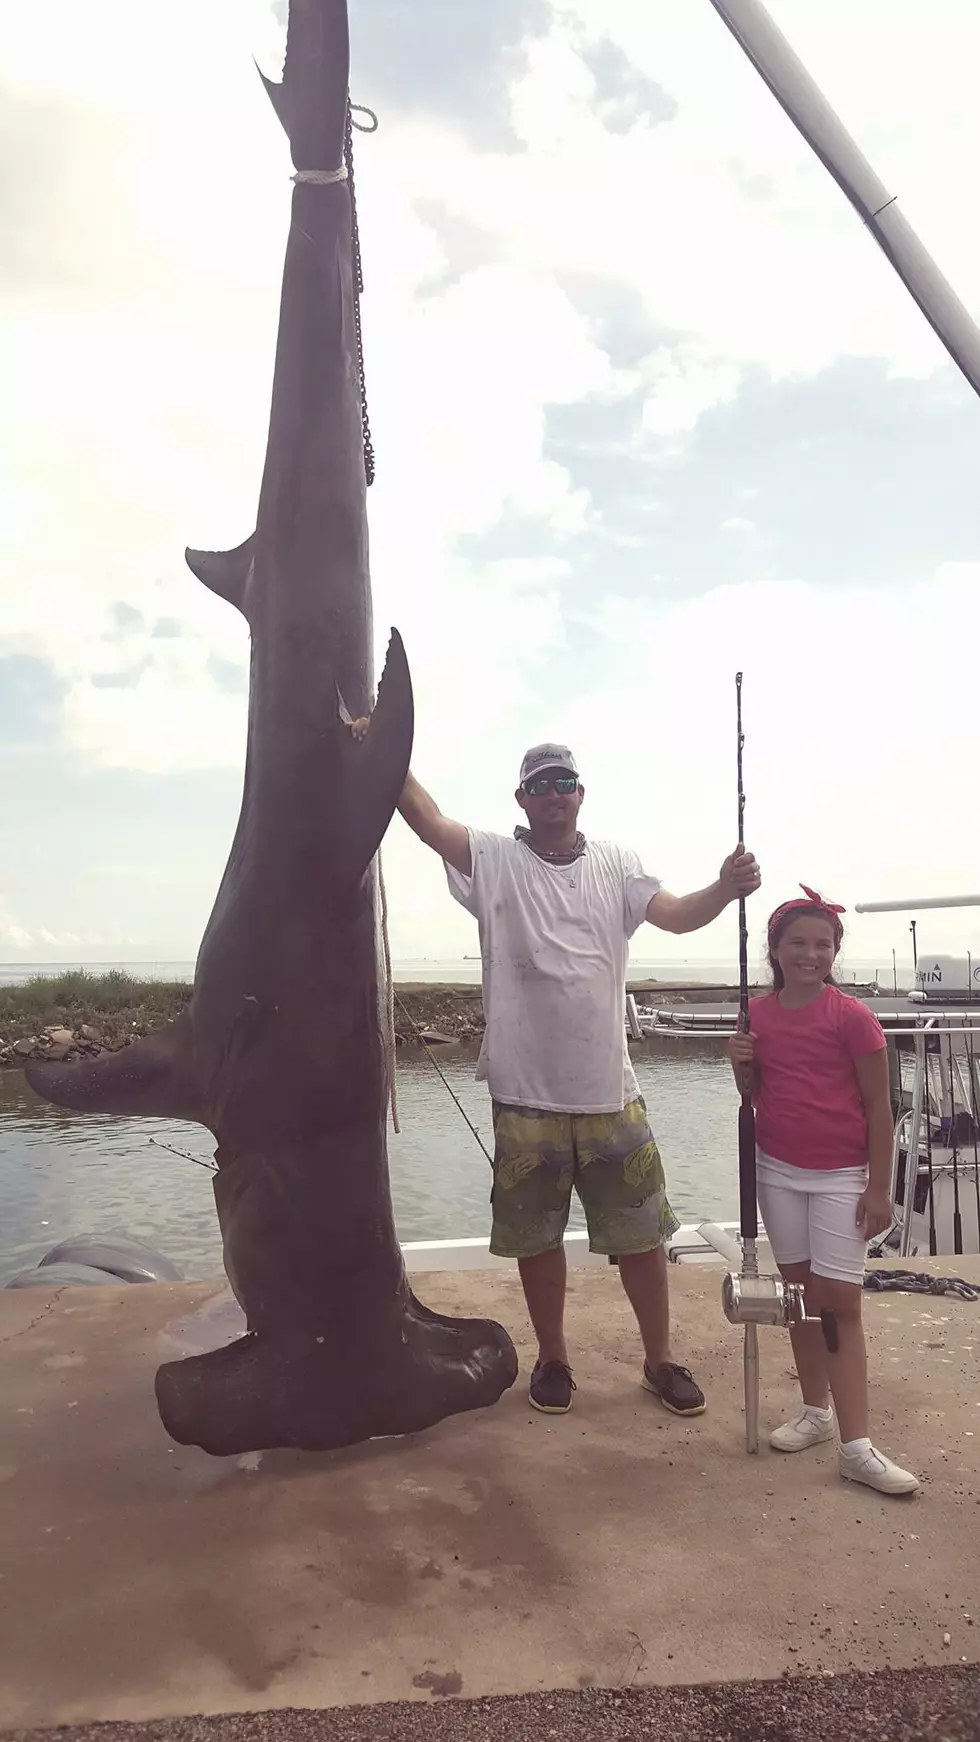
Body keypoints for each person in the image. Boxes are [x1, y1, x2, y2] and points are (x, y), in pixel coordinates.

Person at [392, 740, 761, 1418]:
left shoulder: (617, 863)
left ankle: (660, 1359)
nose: (554, 793)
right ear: (522, 800)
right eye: (541, 784)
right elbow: (426, 819)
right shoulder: (494, 859)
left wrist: (726, 887)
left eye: (565, 781)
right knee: (536, 1240)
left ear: (580, 792)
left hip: (609, 1093)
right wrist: (382, 748)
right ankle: (554, 1357)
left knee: (645, 1236)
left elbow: (676, 915)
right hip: (524, 1093)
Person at [728, 886, 919, 1496]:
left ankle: (857, 1447)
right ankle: (815, 1411)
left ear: (835, 950)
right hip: (776, 1172)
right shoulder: (754, 1014)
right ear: (775, 951)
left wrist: (879, 1189)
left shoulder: (853, 1017)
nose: (811, 954)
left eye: (823, 944)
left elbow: (880, 1107)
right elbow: (753, 1096)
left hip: (842, 1177)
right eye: (798, 943)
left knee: (840, 1305)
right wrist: (739, 1062)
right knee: (797, 1298)